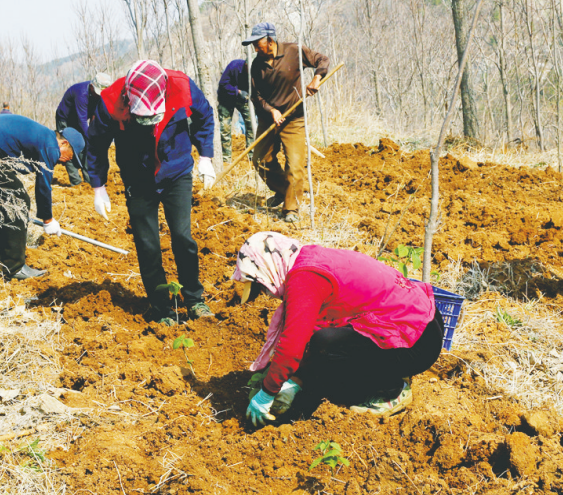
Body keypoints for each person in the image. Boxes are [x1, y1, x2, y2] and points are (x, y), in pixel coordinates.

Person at [235, 232, 444, 427]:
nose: (267, 293)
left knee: (329, 356)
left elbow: (293, 345)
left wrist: (267, 394)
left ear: (269, 266)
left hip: (418, 342)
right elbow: (311, 329)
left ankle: (390, 389)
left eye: (262, 286)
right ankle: (388, 370)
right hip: (422, 324)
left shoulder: (305, 278)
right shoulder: (309, 259)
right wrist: (295, 380)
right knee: (325, 344)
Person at [86, 60, 216, 325]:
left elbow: (204, 116)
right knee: (148, 245)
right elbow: (96, 143)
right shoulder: (111, 100)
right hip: (138, 177)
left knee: (182, 237)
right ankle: (162, 309)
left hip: (176, 171)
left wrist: (205, 156)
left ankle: (194, 299)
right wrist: (98, 186)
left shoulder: (181, 86)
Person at [0, 114, 85, 280]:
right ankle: (15, 267)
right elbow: (43, 185)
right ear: (64, 142)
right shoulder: (49, 144)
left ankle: (1, 253)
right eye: (68, 156)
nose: (64, 162)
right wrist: (48, 219)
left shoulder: (41, 136)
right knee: (18, 200)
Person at [243, 22, 330, 223]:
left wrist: (317, 78)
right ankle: (284, 190)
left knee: (295, 164)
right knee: (259, 160)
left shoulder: (293, 51)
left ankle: (290, 209)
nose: (255, 49)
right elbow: (256, 96)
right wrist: (272, 110)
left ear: (270, 41)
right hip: (269, 119)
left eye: (258, 44)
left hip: (294, 118)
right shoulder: (256, 65)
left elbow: (322, 59)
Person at [55, 72, 112, 185]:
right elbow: (81, 120)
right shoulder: (82, 93)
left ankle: (88, 180)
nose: (99, 96)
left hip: (79, 119)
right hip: (65, 120)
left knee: (87, 147)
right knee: (69, 147)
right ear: (92, 87)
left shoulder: (99, 96)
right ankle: (76, 182)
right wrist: (91, 137)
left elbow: (94, 115)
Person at [217, 58, 255, 162]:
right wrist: (237, 91)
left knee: (252, 124)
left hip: (244, 99)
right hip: (226, 97)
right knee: (225, 128)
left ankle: (252, 155)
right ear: (246, 65)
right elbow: (223, 84)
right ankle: (226, 158)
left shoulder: (258, 71)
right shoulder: (234, 66)